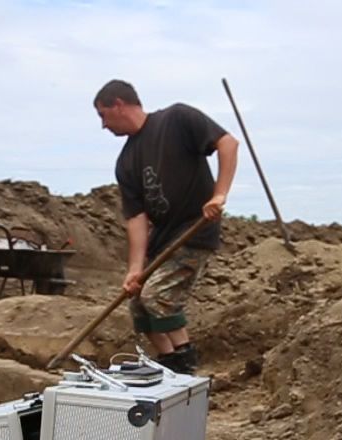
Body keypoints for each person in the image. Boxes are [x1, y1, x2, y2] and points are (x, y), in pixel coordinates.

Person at [94, 79, 239, 374]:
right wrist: (134, 269)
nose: (103, 126)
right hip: (164, 239)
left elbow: (228, 143)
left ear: (118, 105)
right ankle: (170, 362)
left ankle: (186, 361)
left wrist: (219, 194)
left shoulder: (177, 118)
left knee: (157, 297)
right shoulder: (125, 162)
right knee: (137, 301)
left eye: (102, 115)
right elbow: (136, 218)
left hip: (195, 230)